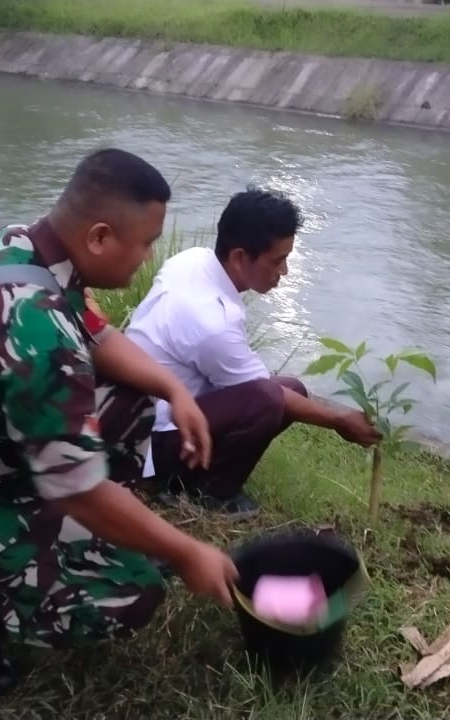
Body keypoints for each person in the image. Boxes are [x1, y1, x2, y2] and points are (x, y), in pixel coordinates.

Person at [0, 148, 238, 700]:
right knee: (130, 591)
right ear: (99, 237)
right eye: (145, 243)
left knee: (132, 400)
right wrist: (188, 553)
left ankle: (83, 540)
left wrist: (174, 390)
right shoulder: (41, 338)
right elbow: (80, 489)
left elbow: (99, 336)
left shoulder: (17, 243)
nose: (148, 257)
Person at [125, 187, 382, 519]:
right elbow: (263, 392)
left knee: (291, 389)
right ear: (239, 257)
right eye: (277, 260)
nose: (284, 271)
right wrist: (337, 420)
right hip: (148, 441)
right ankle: (208, 493)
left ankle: (201, 474)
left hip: (156, 413)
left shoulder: (193, 260)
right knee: (269, 399)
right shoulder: (211, 321)